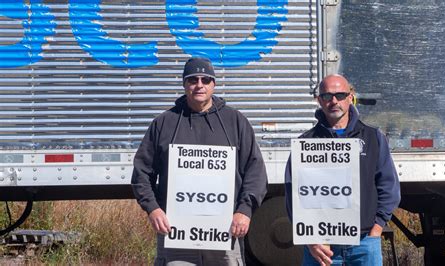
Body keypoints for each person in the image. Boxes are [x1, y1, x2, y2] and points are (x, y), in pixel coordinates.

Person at [131, 57, 268, 265]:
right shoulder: (164, 123)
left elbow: (254, 171)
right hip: (176, 235)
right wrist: (153, 209)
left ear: (214, 84)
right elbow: (142, 173)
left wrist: (244, 211)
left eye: (205, 80)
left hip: (224, 232)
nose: (199, 85)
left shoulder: (235, 121)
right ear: (184, 84)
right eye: (193, 79)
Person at [285, 74, 400, 266]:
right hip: (321, 248)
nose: (334, 101)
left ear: (350, 96)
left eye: (340, 95)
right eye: (327, 96)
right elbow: (293, 194)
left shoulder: (373, 137)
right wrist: (310, 241)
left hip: (364, 245)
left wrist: (377, 229)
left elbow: (389, 187)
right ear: (319, 100)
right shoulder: (305, 143)